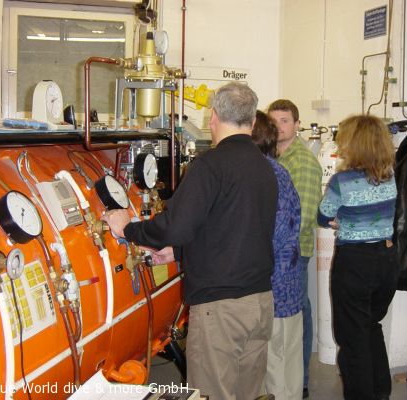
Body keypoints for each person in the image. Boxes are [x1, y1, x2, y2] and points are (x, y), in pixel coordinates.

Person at [102, 82, 278, 400]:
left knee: (211, 395)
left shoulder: (211, 165)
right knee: (249, 394)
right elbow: (234, 226)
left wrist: (128, 229)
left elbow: (175, 227)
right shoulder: (264, 168)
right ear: (253, 122)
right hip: (260, 303)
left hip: (221, 310)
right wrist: (180, 252)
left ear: (213, 117)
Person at [317, 114, 399, 400]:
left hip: (355, 262)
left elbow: (323, 216)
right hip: (387, 260)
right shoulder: (390, 175)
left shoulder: (342, 181)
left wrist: (339, 220)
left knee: (352, 338)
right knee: (371, 326)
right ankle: (380, 392)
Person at [268, 99, 322, 399]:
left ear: (297, 125)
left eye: (285, 120)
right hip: (278, 252)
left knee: (296, 316)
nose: (279, 127)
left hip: (294, 253)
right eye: (274, 121)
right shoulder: (273, 157)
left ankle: (299, 381)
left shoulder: (303, 162)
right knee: (294, 314)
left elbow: (305, 215)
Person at [252, 110, 303, 399]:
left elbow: (273, 236)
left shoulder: (265, 175)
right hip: (288, 282)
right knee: (288, 359)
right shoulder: (278, 171)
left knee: (274, 362)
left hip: (274, 286)